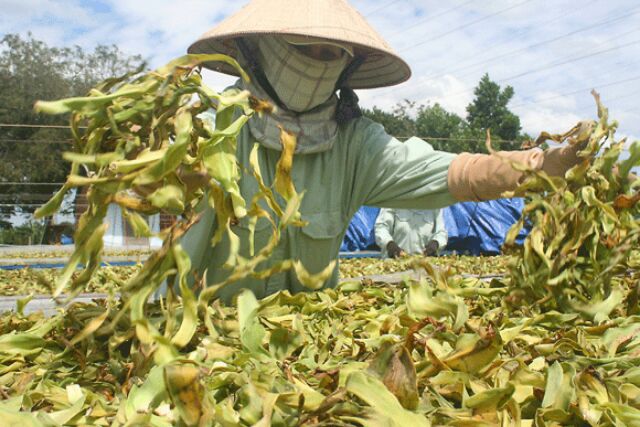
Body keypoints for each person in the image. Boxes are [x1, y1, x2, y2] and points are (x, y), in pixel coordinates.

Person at [182, 0, 585, 302]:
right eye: (305, 47)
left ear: (347, 66)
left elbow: (443, 172)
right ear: (260, 49)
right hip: (221, 346)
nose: (319, 62)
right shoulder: (214, 129)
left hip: (307, 349)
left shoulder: (354, 144)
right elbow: (171, 236)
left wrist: (540, 165)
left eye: (331, 53)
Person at [375, 208, 447, 258]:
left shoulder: (435, 204)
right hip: (395, 265)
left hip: (424, 266)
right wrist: (389, 244)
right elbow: (381, 227)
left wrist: (436, 243)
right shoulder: (394, 198)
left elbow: (441, 232)